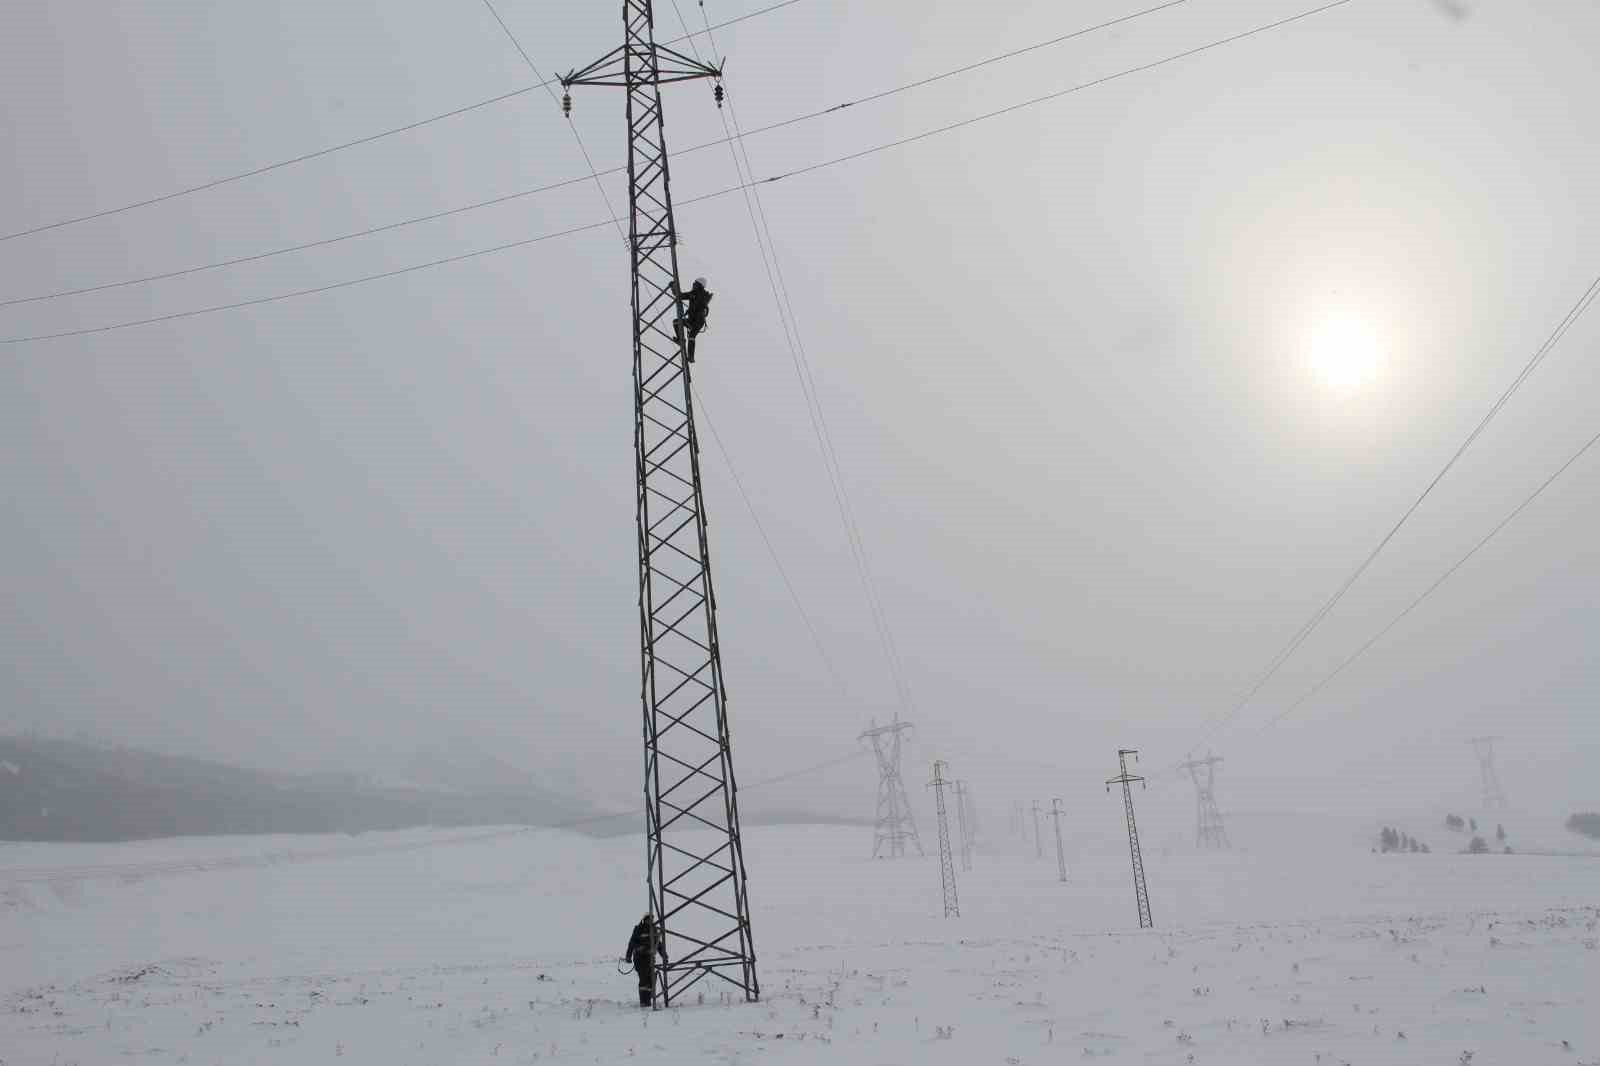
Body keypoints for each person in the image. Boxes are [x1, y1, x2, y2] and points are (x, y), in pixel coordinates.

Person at [623, 913, 667, 1008]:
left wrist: (664, 956)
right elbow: (632, 943)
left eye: (651, 919)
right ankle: (643, 1001)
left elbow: (658, 944)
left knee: (651, 979)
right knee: (644, 980)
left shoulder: (654, 930)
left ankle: (648, 1000)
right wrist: (628, 956)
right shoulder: (638, 929)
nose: (650, 921)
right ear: (644, 920)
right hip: (639, 958)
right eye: (648, 919)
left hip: (649, 959)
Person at [675, 277, 714, 362]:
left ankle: (681, 342)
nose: (693, 285)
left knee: (689, 333)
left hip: (697, 321)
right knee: (679, 324)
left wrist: (673, 287)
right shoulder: (701, 295)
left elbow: (680, 296)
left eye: (695, 284)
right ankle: (690, 356)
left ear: (699, 285)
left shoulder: (696, 293)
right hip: (696, 321)